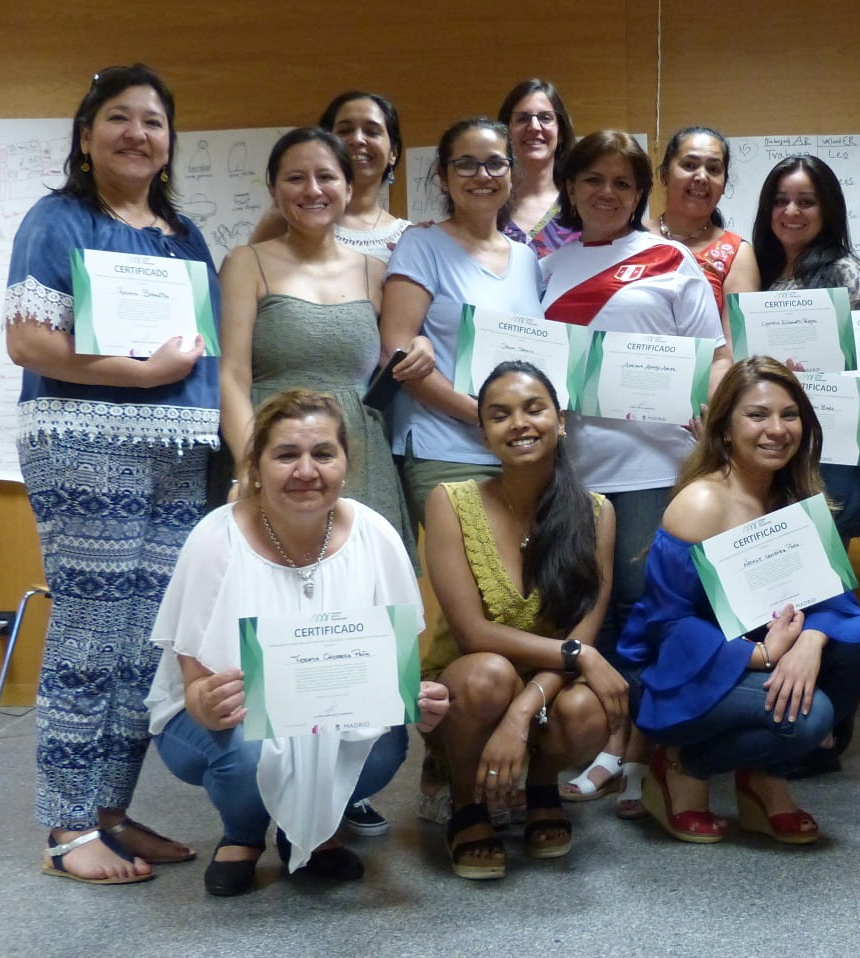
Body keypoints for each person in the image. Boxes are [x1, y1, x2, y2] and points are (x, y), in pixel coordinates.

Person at [5, 64, 216, 884]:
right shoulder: (55, 219)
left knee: (146, 646)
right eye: (119, 118)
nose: (137, 133)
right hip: (83, 439)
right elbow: (28, 342)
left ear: (169, 143)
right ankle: (65, 831)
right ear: (85, 137)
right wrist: (140, 374)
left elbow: (200, 351)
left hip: (179, 449)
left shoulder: (185, 234)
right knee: (91, 637)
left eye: (154, 121)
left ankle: (111, 814)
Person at [145, 390, 449, 896]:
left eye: (323, 454)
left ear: (346, 463)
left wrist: (415, 699)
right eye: (286, 454)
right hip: (224, 721)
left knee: (384, 747)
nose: (306, 471)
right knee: (245, 751)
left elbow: (397, 668)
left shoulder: (376, 535)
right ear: (257, 466)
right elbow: (193, 681)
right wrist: (204, 704)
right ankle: (242, 835)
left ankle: (307, 832)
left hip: (332, 711)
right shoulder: (213, 539)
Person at [541, 131, 732, 812]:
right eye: (592, 179)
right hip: (574, 468)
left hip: (655, 462)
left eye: (622, 183)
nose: (607, 194)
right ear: (569, 186)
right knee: (592, 609)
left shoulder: (671, 259)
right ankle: (611, 742)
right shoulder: (545, 267)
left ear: (639, 194)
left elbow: (715, 359)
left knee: (647, 609)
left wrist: (712, 419)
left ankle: (641, 750)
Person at [615, 357, 860, 844]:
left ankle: (762, 777)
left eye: (790, 414)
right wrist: (761, 654)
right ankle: (678, 763)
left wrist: (812, 640)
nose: (776, 429)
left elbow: (840, 605)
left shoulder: (796, 496)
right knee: (810, 716)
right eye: (757, 415)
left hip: (767, 654)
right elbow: (668, 626)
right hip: (684, 670)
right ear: (726, 429)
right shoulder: (701, 504)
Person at [380, 116, 544, 827]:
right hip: (444, 445)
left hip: (519, 451)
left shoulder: (529, 255)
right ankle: (448, 751)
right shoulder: (421, 244)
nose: (483, 176)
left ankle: (509, 747)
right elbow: (399, 351)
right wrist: (485, 416)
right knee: (460, 609)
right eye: (467, 164)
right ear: (443, 176)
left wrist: (512, 424)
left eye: (495, 164)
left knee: (519, 596)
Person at [424, 362, 622, 879]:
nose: (519, 424)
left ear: (560, 421)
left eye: (534, 409)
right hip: (467, 689)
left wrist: (522, 712)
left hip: (547, 693)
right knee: (488, 671)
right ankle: (468, 804)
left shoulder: (596, 512)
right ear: (484, 431)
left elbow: (581, 635)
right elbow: (473, 633)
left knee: (589, 708)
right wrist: (579, 655)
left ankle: (541, 789)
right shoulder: (450, 502)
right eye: (499, 415)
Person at [218, 127, 414, 560]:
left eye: (326, 177)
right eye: (294, 178)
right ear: (273, 189)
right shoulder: (245, 263)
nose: (312, 190)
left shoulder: (378, 272)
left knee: (366, 602)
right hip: (275, 455)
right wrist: (251, 466)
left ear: (348, 187)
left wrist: (423, 351)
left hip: (359, 453)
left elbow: (402, 351)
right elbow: (231, 376)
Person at [751, 154, 860, 777]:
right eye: (781, 199)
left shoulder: (847, 274)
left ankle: (827, 720)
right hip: (776, 453)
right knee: (781, 582)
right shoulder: (766, 270)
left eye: (806, 201)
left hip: (830, 451)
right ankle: (790, 716)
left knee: (821, 583)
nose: (792, 212)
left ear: (827, 208)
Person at [251, 91, 412, 262]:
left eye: (372, 132)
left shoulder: (411, 237)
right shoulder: (288, 217)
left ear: (393, 153)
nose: (357, 139)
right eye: (345, 130)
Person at [644, 126, 761, 319]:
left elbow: (736, 345)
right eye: (689, 165)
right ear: (664, 174)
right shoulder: (632, 236)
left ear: (724, 184)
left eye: (714, 169)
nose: (701, 177)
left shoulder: (737, 253)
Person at [497, 79, 579, 256]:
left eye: (545, 118)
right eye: (523, 118)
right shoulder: (487, 206)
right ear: (506, 132)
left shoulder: (580, 206)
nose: (534, 127)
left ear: (561, 133)